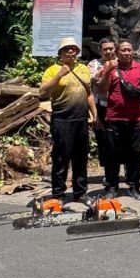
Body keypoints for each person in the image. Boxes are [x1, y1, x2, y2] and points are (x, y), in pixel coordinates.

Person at [39, 37, 97, 202]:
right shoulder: (52, 70)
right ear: (60, 53)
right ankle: (58, 194)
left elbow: (89, 93)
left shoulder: (83, 69)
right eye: (67, 49)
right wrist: (59, 76)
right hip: (62, 120)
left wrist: (95, 114)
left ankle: (80, 193)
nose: (71, 51)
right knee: (61, 158)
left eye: (73, 49)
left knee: (81, 158)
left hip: (81, 120)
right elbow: (43, 92)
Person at [97, 38, 140, 199]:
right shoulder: (110, 68)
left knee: (135, 153)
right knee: (112, 154)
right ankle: (112, 186)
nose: (127, 53)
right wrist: (108, 71)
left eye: (129, 50)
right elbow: (102, 90)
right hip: (114, 118)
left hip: (134, 119)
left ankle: (134, 186)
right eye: (123, 50)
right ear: (117, 53)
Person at [87, 37, 115, 166]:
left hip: (118, 107)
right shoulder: (94, 64)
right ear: (100, 51)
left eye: (111, 48)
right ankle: (107, 169)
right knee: (103, 138)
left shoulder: (121, 62)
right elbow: (93, 81)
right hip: (101, 105)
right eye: (105, 49)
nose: (108, 51)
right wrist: (103, 70)